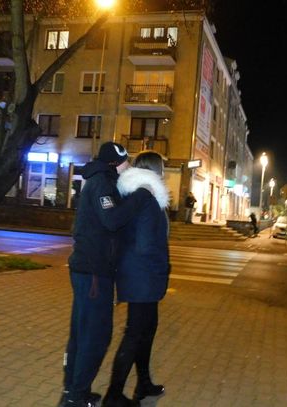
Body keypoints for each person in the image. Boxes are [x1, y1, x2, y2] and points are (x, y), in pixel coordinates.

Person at [60, 142, 152, 407]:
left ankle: (73, 391)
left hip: (90, 270)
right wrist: (141, 195)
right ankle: (77, 396)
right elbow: (111, 219)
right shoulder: (102, 182)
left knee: (82, 333)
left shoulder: (102, 180)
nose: (129, 166)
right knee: (95, 335)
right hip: (94, 272)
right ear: (115, 163)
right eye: (126, 162)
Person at [103, 151, 170, 407]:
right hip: (143, 275)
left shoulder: (139, 194)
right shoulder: (145, 197)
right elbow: (145, 245)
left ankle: (143, 383)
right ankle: (113, 395)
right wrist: (160, 267)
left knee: (146, 330)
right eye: (162, 167)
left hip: (141, 275)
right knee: (134, 334)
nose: (164, 172)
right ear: (155, 169)